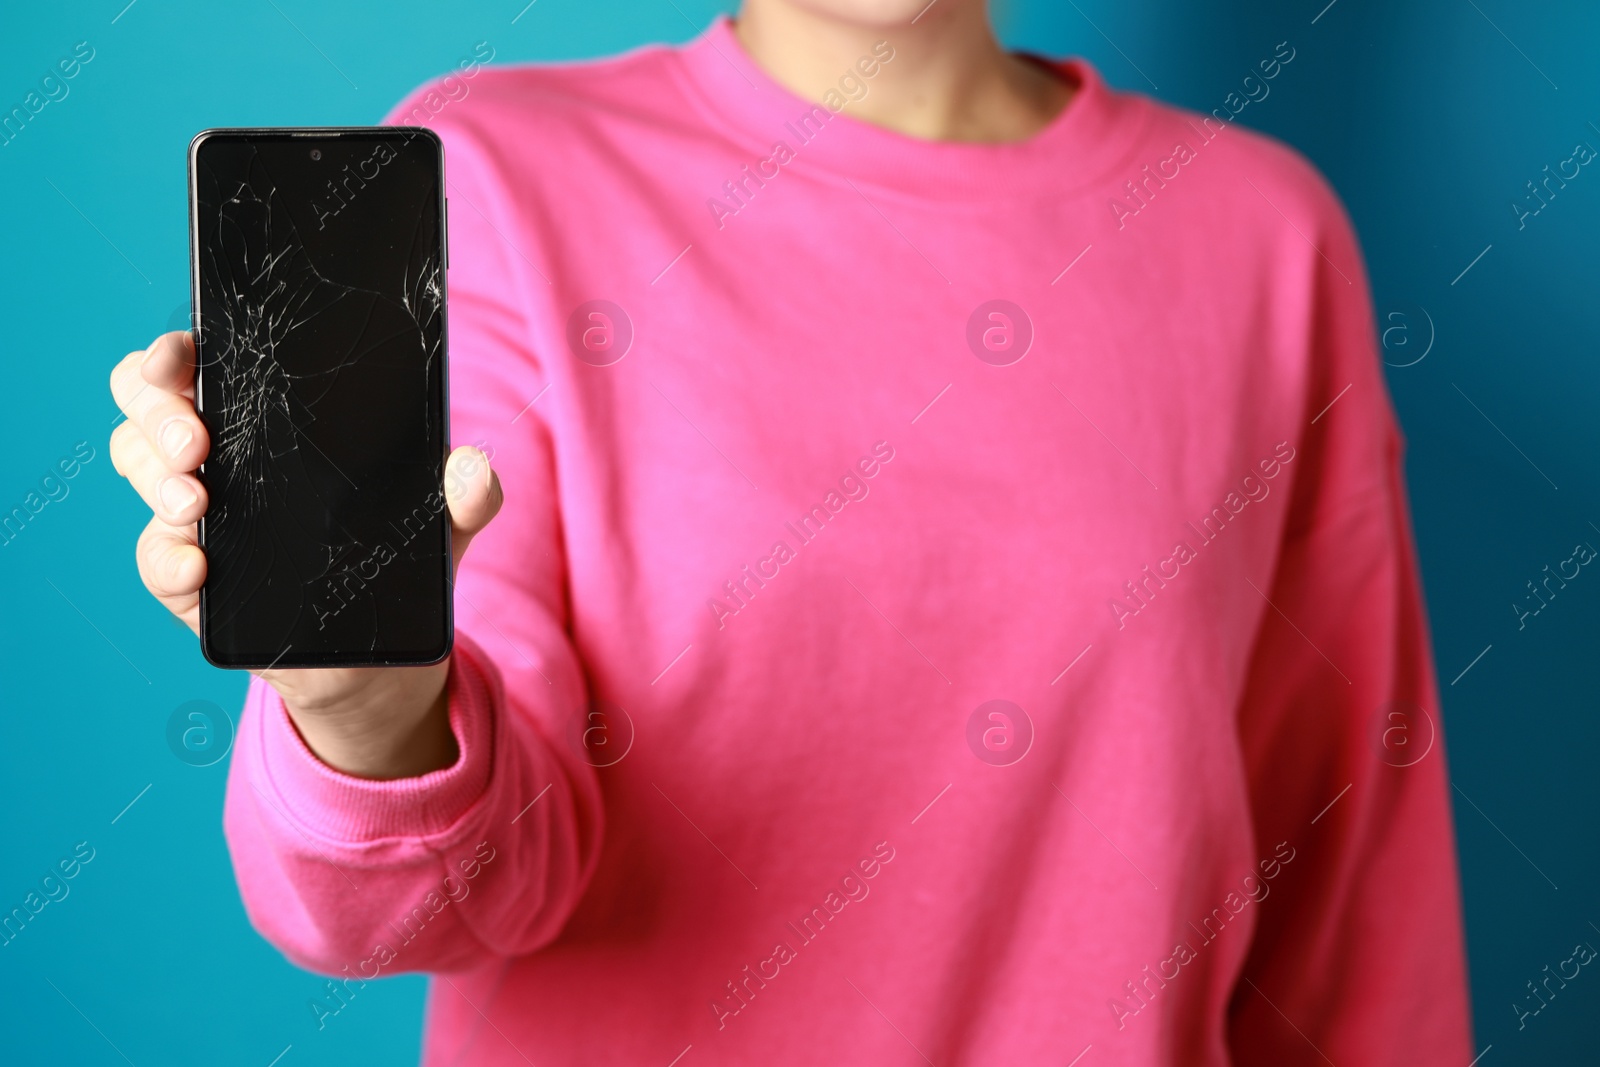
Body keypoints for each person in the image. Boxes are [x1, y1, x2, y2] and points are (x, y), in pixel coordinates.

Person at [107, 0, 1474, 1062]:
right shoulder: (503, 176)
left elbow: (1354, 908)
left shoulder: (1263, 238)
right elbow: (444, 898)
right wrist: (369, 710)